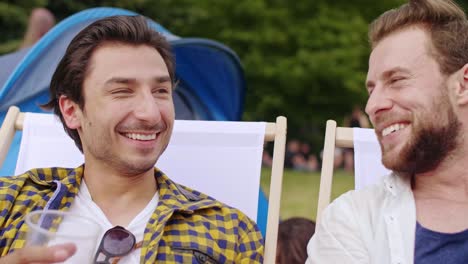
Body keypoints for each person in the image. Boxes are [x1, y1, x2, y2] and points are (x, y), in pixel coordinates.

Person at [0, 16, 263, 263]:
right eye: (122, 91)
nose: (150, 113)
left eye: (161, 91)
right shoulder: (10, 202)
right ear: (72, 111)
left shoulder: (230, 233)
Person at [307, 0, 468, 263]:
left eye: (396, 80)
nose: (372, 106)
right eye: (371, 90)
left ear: (463, 85)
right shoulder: (352, 222)